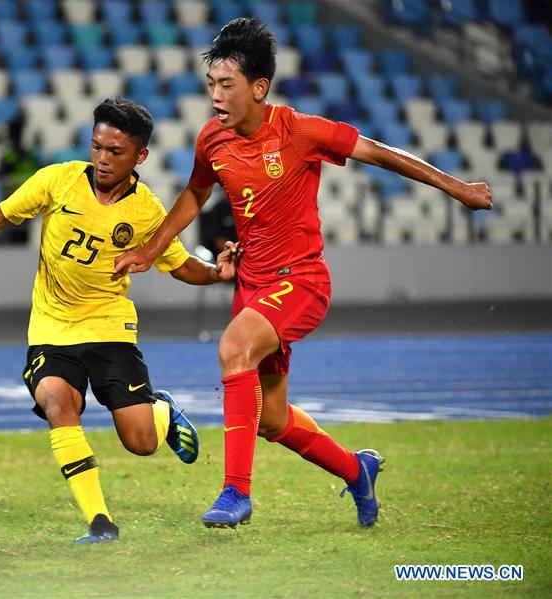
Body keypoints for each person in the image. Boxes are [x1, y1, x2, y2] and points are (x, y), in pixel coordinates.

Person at [114, 18, 492, 529]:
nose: (215, 96)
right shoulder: (213, 139)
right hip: (252, 284)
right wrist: (152, 248)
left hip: (301, 281)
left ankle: (235, 493)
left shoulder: (299, 131)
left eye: (227, 85)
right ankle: (357, 471)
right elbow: (196, 193)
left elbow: (379, 152)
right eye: (211, 85)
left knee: (233, 348)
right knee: (270, 417)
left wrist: (456, 186)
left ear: (259, 87)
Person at [0, 98, 240, 543]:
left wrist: (216, 274)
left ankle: (163, 412)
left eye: (115, 151)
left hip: (110, 329)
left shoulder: (147, 211)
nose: (101, 157)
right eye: (97, 146)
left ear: (141, 157)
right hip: (51, 328)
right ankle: (100, 522)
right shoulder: (57, 180)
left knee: (141, 442)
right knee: (60, 404)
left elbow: (177, 265)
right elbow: (1, 214)